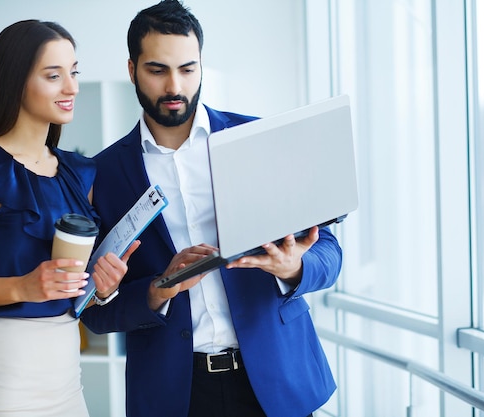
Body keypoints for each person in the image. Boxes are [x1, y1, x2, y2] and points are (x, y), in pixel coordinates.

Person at [81, 1, 342, 416]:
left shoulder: (256, 139)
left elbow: (329, 252)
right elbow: (95, 313)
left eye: (188, 69)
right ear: (131, 70)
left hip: (276, 383)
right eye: (157, 70)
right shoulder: (103, 175)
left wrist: (293, 267)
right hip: (175, 394)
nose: (175, 87)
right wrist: (157, 288)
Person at [0, 20, 137, 417]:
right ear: (15, 81)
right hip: (2, 379)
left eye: (74, 73)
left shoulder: (80, 172)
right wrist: (22, 287)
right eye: (53, 76)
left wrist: (101, 286)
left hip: (68, 379)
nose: (71, 88)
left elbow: (76, 288)